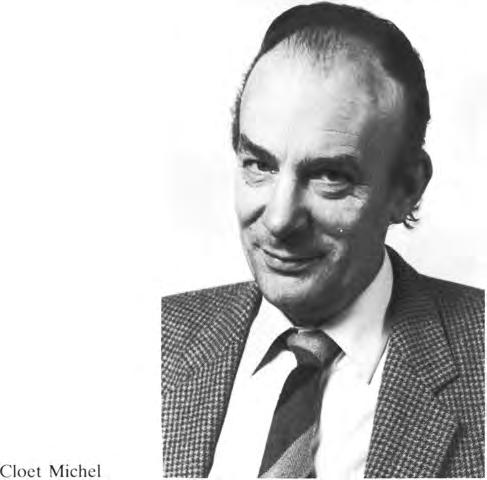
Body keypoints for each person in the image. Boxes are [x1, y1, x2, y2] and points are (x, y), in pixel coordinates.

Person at [161, 2, 484, 478]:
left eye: (330, 176)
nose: (279, 220)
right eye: (259, 165)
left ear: (407, 188)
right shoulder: (156, 338)